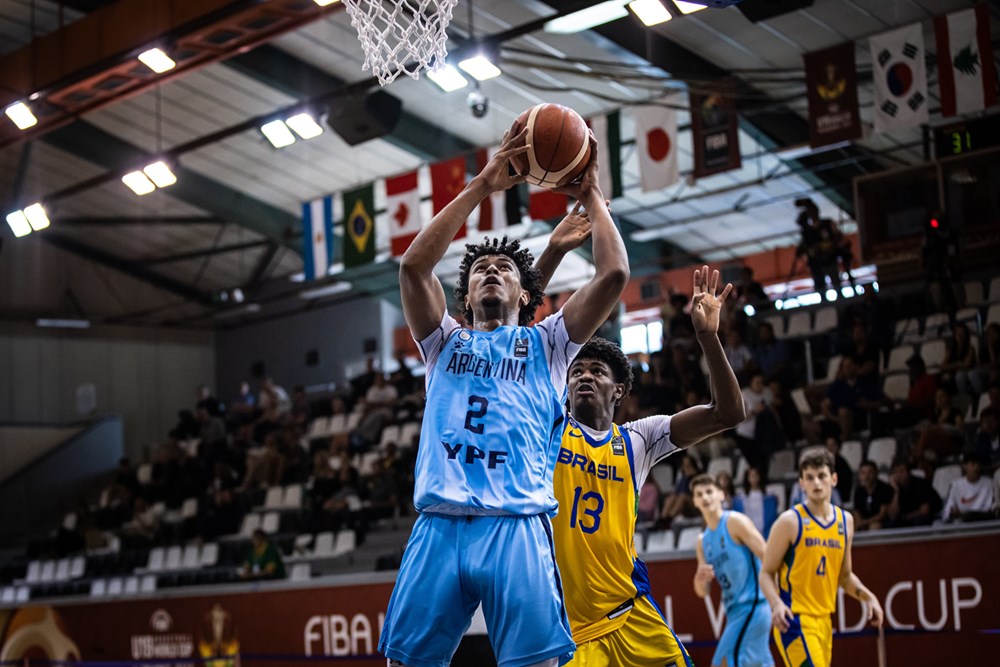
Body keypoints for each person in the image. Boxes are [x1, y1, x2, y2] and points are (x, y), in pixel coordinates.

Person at [378, 122, 630, 667]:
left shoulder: (549, 343)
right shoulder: (443, 341)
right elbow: (412, 265)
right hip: (439, 524)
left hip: (516, 526)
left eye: (505, 269)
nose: (491, 271)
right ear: (464, 296)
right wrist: (483, 186)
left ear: (526, 291)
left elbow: (613, 274)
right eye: (480, 270)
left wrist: (590, 195)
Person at [544, 266, 744, 667]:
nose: (584, 376)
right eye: (576, 371)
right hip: (573, 630)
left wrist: (707, 338)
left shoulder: (638, 438)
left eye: (597, 371)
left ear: (618, 390)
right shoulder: (547, 428)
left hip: (631, 613)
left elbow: (728, 413)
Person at [761, 448, 883, 667]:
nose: (816, 483)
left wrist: (869, 597)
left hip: (824, 621)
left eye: (821, 476)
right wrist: (776, 604)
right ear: (801, 483)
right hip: (794, 620)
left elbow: (844, 577)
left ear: (834, 479)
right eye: (810, 477)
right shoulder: (789, 522)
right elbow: (766, 573)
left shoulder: (845, 521)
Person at [693, 474, 773, 667]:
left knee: (722, 662)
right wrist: (699, 579)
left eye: (710, 492)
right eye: (699, 494)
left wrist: (776, 599)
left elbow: (768, 556)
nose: (705, 497)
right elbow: (703, 591)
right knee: (758, 663)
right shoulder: (702, 541)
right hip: (734, 612)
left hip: (754, 605)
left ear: (721, 494)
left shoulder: (735, 522)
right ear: (694, 501)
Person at [885, 457, 941, 528]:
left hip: (922, 518)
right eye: (895, 472)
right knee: (890, 525)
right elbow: (893, 516)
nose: (899, 475)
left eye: (902, 471)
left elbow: (925, 511)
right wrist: (896, 492)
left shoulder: (922, 484)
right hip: (904, 520)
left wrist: (906, 517)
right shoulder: (892, 487)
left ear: (909, 472)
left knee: (920, 520)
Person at [941, 451, 993, 522]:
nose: (976, 467)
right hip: (960, 526)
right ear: (964, 466)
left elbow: (988, 509)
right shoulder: (956, 485)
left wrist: (964, 514)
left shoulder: (988, 483)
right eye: (973, 464)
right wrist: (952, 513)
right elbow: (947, 511)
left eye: (978, 464)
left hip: (982, 523)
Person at [733, 466, 779, 538]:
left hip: (764, 533)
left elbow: (772, 517)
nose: (754, 478)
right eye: (751, 475)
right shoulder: (740, 499)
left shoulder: (769, 497)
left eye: (756, 475)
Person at [851, 460, 893, 531]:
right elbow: (856, 512)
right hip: (864, 523)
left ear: (876, 473)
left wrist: (864, 522)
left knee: (875, 526)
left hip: (881, 523)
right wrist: (860, 523)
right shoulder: (858, 491)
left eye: (870, 472)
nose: (866, 476)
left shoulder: (884, 489)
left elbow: (882, 515)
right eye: (863, 473)